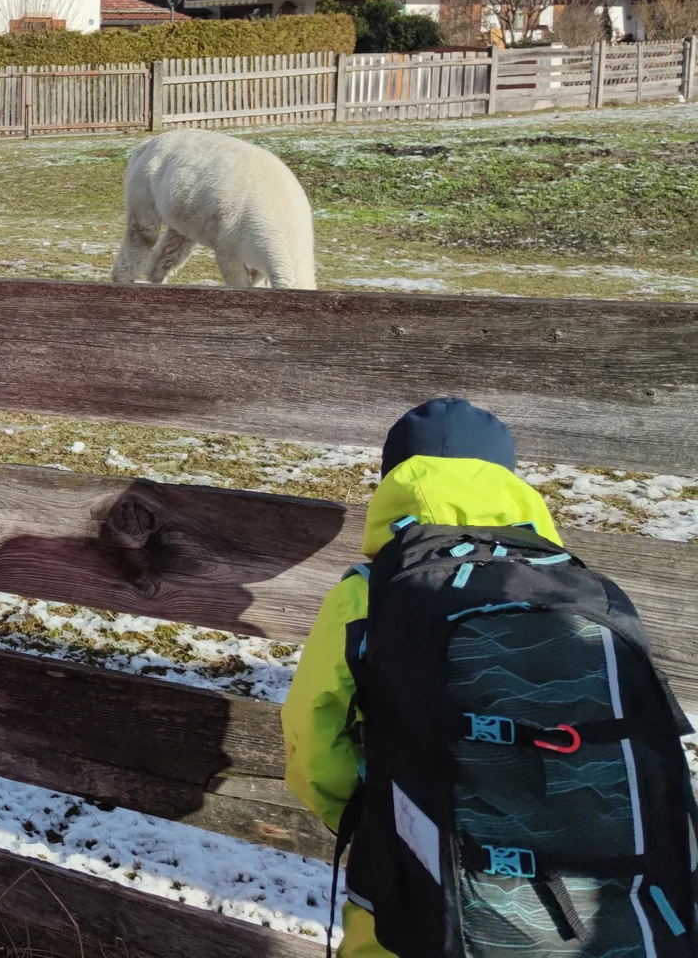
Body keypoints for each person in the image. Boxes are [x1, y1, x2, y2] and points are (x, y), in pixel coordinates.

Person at [282, 397, 694, 958]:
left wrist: (369, 813)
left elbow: (313, 736)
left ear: (393, 480)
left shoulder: (366, 593)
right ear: (509, 481)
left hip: (413, 895)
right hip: (613, 909)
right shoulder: (581, 585)